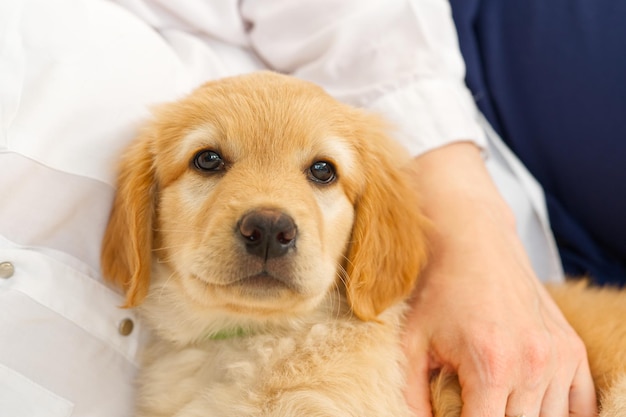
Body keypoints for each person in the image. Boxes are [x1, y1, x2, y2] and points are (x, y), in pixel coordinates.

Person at [0, 0, 597, 416]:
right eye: (208, 162)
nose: (268, 221)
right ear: (139, 215)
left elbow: (360, 18)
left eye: (321, 172)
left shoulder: (337, 373)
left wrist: (476, 233)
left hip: (498, 116)